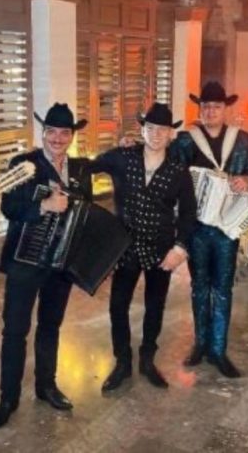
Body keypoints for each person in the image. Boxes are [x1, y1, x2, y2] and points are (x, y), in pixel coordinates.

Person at [0, 103, 92, 428]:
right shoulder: (23, 164)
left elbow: (85, 212)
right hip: (24, 262)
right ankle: (8, 398)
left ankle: (46, 386)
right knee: (15, 330)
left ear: (72, 136)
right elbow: (9, 208)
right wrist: (44, 205)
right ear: (43, 133)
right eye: (51, 132)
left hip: (59, 265)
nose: (57, 138)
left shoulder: (80, 169)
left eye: (64, 133)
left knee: (50, 326)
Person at [91, 102, 197, 392]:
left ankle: (147, 359)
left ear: (171, 134)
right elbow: (91, 166)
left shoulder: (178, 170)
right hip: (124, 247)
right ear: (142, 130)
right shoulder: (123, 157)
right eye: (151, 128)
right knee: (117, 305)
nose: (156, 134)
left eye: (162, 129)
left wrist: (180, 249)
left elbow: (188, 213)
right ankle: (122, 362)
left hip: (161, 248)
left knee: (155, 305)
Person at [171, 81, 248, 378]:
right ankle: (200, 344)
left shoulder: (241, 140)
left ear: (225, 109)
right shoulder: (186, 140)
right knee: (199, 286)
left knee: (223, 288)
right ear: (200, 109)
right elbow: (167, 168)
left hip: (227, 225)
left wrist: (247, 179)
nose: (210, 111)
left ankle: (218, 349)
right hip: (196, 226)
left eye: (216, 106)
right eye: (206, 106)